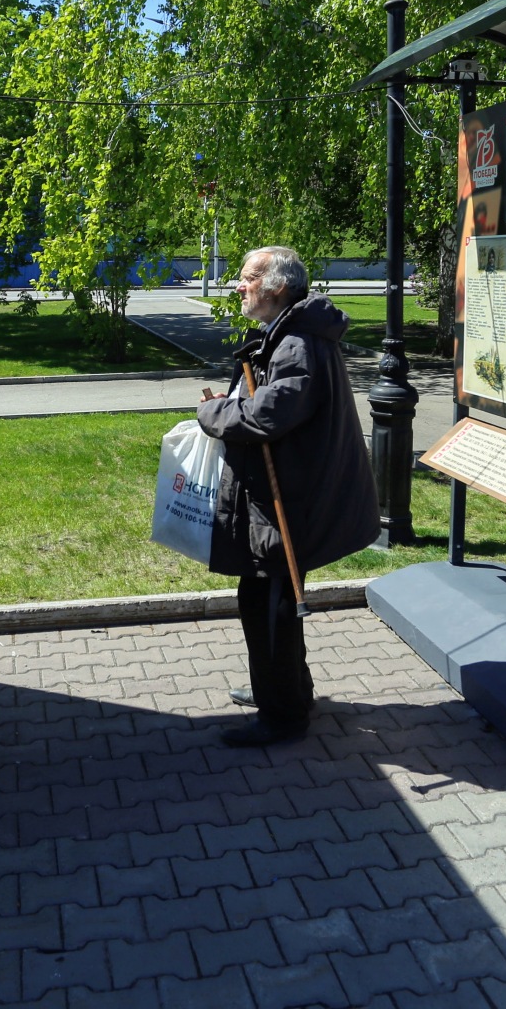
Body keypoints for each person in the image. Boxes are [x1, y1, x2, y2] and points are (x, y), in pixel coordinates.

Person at [196, 247, 379, 746]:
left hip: (292, 499)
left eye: (248, 278)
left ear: (277, 287)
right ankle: (286, 690)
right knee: (268, 596)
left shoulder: (296, 342)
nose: (239, 286)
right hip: (291, 492)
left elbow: (267, 417)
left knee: (268, 601)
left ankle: (283, 715)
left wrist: (212, 415)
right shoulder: (291, 333)